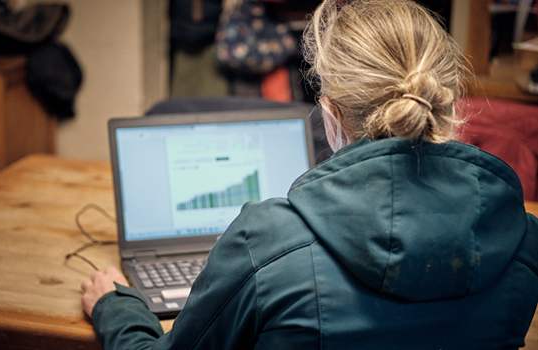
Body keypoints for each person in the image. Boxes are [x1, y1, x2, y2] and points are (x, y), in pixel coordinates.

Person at [81, 0, 538, 349]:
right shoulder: (521, 236)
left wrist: (119, 310)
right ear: (448, 105)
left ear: (332, 117)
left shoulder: (265, 244)